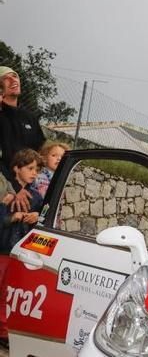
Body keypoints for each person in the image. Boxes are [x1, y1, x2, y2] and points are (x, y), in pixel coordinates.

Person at [0, 148, 42, 346]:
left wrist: (36, 218)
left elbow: (44, 222)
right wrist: (11, 218)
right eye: (30, 168)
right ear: (17, 168)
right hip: (2, 248)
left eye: (37, 169)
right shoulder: (6, 192)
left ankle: (3, 332)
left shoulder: (35, 197)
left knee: (7, 292)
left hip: (19, 252)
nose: (34, 173)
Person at [0, 67, 45, 211]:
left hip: (27, 189)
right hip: (6, 188)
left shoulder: (30, 117)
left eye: (15, 76)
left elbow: (39, 153)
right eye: (6, 78)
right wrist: (15, 187)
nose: (13, 80)